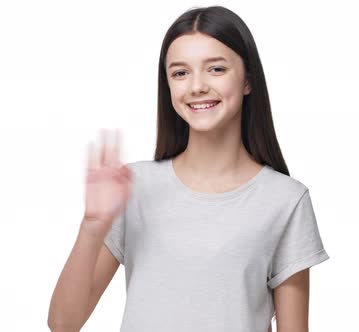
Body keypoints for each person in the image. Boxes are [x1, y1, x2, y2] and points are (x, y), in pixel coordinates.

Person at [48, 5, 330, 332]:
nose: (196, 86)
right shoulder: (133, 187)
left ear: (248, 79)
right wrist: (92, 226)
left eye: (216, 69)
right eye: (180, 73)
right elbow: (62, 324)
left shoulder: (285, 200)